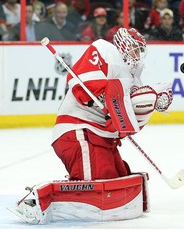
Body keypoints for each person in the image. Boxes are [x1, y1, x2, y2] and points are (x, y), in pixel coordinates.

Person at [8, 27, 173, 224]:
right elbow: (79, 82)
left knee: (117, 178)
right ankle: (38, 201)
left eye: (140, 51)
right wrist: (104, 97)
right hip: (77, 132)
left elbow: (126, 118)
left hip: (101, 138)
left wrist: (154, 102)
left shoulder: (132, 77)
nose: (137, 56)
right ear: (123, 45)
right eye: (134, 49)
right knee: (99, 182)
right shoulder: (105, 49)